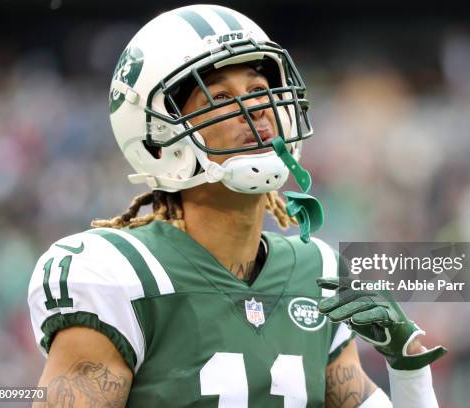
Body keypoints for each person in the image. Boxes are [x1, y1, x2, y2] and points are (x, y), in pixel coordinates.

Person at [28, 5, 446, 407]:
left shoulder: (316, 274)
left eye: (259, 91)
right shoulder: (115, 275)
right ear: (156, 137)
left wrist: (408, 366)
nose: (256, 111)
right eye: (222, 97)